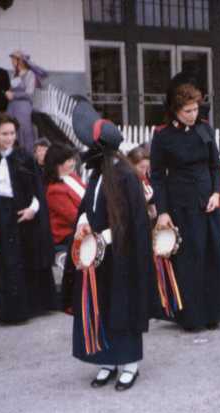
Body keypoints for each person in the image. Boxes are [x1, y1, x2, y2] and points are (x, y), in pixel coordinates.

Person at [70, 99, 157, 391]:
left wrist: (106, 237)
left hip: (122, 258)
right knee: (101, 306)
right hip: (97, 257)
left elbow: (135, 223)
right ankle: (106, 360)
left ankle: (129, 364)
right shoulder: (97, 174)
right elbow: (88, 206)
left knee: (123, 306)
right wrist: (83, 222)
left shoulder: (125, 176)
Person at [150, 82, 220, 331]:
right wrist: (162, 211)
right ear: (175, 110)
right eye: (188, 111)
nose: (193, 115)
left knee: (212, 255)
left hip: (208, 203)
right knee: (188, 260)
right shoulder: (162, 136)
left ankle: (213, 313)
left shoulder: (205, 129)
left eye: (196, 109)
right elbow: (157, 176)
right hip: (181, 206)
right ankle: (191, 316)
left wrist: (217, 193)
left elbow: (216, 166)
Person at [0, 113, 56, 324]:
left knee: (20, 260)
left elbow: (37, 191)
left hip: (20, 215)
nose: (9, 138)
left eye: (12, 133)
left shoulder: (24, 157)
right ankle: (5, 312)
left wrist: (32, 210)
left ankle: (23, 310)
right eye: (4, 133)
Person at [43, 142, 85, 247]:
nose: (73, 163)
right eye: (69, 160)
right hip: (67, 237)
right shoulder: (54, 191)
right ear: (58, 164)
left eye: (73, 159)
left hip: (82, 228)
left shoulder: (72, 176)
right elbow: (74, 217)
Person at [6, 51, 47, 152]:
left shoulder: (29, 74)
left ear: (19, 61)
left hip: (23, 107)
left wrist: (14, 95)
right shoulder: (14, 74)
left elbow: (29, 93)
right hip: (12, 107)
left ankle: (26, 154)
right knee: (11, 128)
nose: (12, 61)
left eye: (13, 59)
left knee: (23, 130)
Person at [126, 145, 156, 220]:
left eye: (147, 168)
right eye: (141, 167)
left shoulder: (146, 180)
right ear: (131, 164)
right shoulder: (125, 181)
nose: (144, 171)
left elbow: (153, 212)